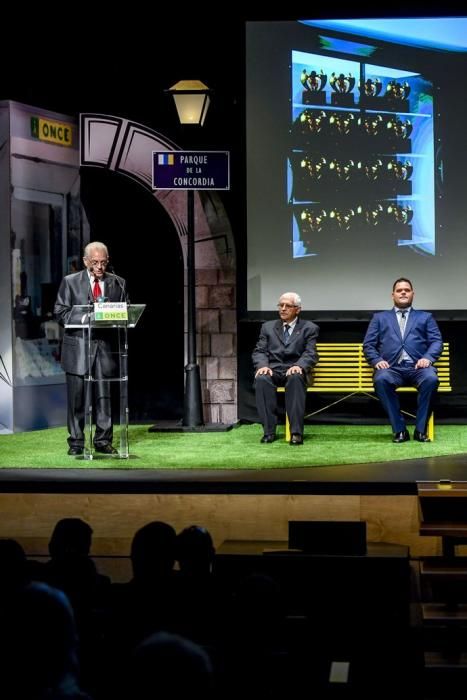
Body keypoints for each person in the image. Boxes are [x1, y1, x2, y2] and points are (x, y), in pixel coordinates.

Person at [54, 241, 127, 455]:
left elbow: (125, 310)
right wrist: (86, 317)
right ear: (86, 261)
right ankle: (76, 442)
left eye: (103, 262)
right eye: (95, 262)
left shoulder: (118, 283)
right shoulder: (70, 282)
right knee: (76, 399)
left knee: (104, 398)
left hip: (106, 349)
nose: (99, 267)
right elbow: (60, 311)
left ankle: (103, 441)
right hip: (78, 347)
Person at [363, 277, 442, 443]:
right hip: (391, 368)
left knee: (431, 378)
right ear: (393, 295)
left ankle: (420, 430)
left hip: (418, 368)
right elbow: (368, 345)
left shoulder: (425, 317)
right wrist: (376, 360)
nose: (403, 292)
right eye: (399, 290)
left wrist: (427, 358)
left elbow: (436, 341)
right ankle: (399, 430)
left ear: (413, 294)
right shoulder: (379, 318)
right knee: (381, 379)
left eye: (407, 290)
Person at [252, 292, 319, 445]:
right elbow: (259, 351)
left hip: (294, 370)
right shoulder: (267, 327)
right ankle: (268, 432)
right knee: (262, 378)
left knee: (295, 378)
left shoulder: (309, 328)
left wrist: (299, 366)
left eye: (287, 306)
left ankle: (296, 433)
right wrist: (263, 366)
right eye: (280, 305)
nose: (282, 309)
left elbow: (311, 353)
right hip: (273, 370)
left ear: (298, 309)